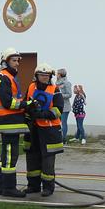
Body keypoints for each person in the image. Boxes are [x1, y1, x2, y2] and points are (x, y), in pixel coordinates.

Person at [0, 47, 30, 197]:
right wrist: (25, 104)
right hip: (7, 122)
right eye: (14, 60)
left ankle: (2, 186)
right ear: (5, 62)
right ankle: (8, 188)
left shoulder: (9, 77)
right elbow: (8, 103)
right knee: (10, 156)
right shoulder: (3, 78)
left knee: (7, 155)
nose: (17, 63)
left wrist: (26, 104)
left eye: (18, 61)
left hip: (11, 122)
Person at [24, 63, 65, 197]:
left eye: (47, 75)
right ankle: (33, 186)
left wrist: (42, 114)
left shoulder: (55, 89)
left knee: (47, 160)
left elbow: (58, 109)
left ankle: (48, 187)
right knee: (32, 157)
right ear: (36, 76)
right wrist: (29, 112)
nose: (44, 77)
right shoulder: (31, 87)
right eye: (42, 75)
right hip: (33, 129)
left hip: (49, 131)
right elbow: (26, 102)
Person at [55, 68, 73, 143]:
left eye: (57, 73)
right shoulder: (56, 83)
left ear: (60, 74)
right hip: (57, 106)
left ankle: (64, 139)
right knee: (57, 122)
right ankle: (58, 137)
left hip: (65, 107)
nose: (56, 75)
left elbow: (69, 94)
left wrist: (60, 95)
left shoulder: (67, 83)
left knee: (63, 122)